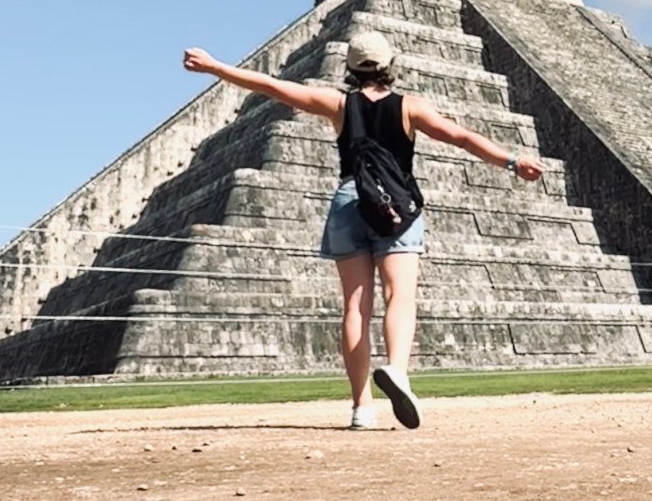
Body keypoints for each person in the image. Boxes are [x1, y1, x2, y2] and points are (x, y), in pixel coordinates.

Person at [182, 31, 543, 430]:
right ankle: (398, 371)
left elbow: (273, 87)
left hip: (349, 201)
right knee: (399, 296)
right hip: (394, 203)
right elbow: (462, 137)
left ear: (351, 69)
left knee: (355, 307)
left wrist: (215, 66)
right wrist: (512, 162)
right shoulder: (411, 107)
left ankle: (360, 408)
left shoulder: (338, 103)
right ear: (390, 66)